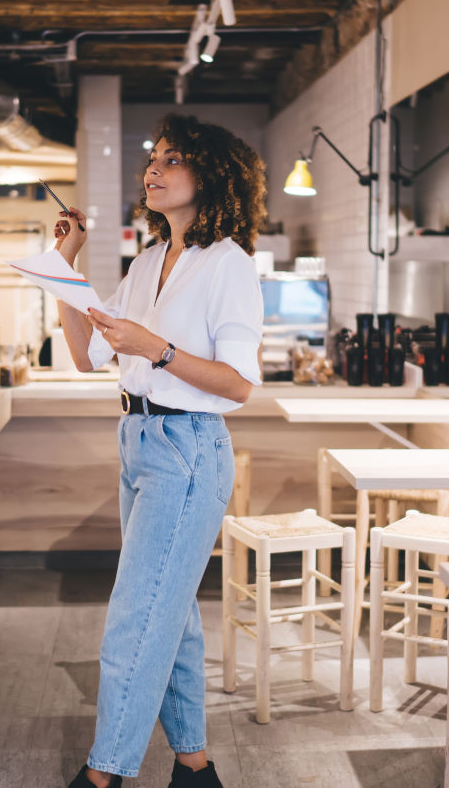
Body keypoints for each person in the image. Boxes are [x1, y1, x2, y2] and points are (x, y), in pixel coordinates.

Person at [53, 114, 266, 788]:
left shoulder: (229, 266)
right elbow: (87, 354)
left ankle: (104, 772)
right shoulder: (148, 262)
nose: (155, 169)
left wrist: (159, 350)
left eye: (173, 160)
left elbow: (238, 386)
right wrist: (64, 266)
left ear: (209, 177)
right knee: (168, 611)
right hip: (139, 441)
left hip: (189, 450)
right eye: (154, 158)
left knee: (135, 617)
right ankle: (194, 766)